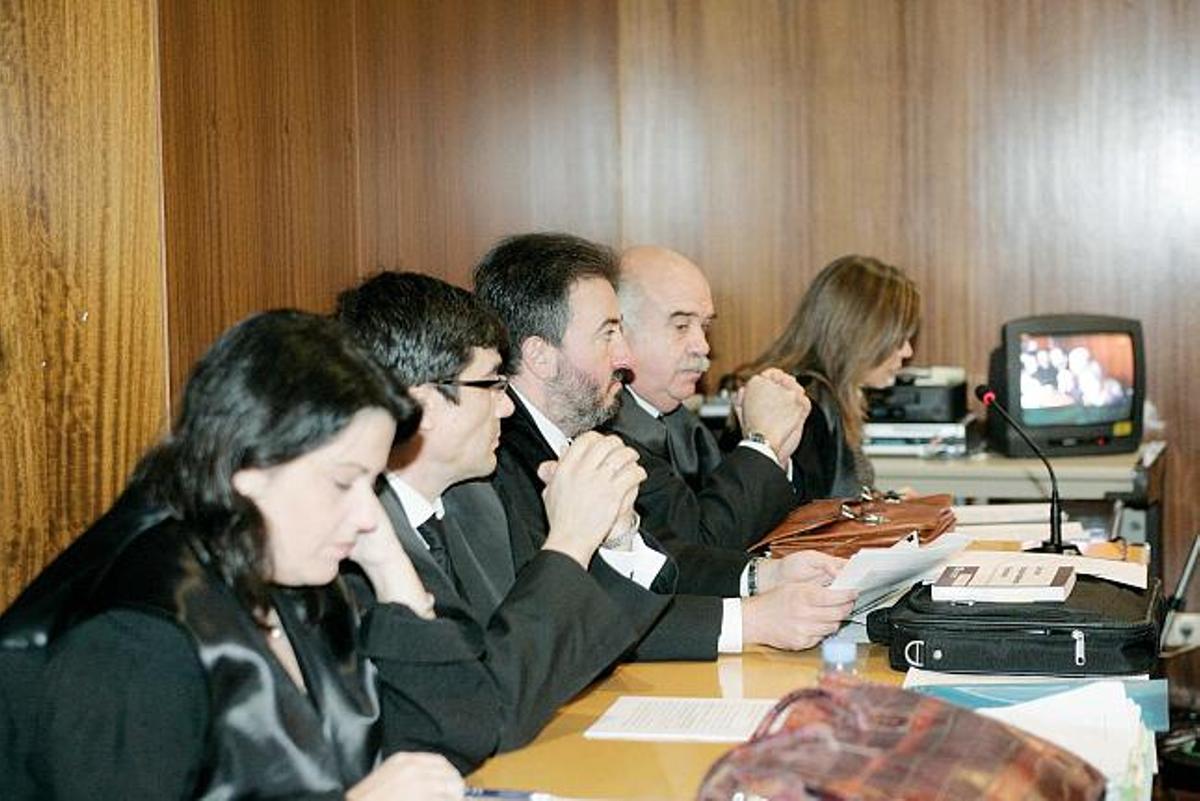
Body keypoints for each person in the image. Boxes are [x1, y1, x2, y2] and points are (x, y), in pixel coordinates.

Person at [0, 311, 492, 800]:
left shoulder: (284, 570)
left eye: (373, 483)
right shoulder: (135, 643)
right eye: (344, 481)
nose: (369, 514)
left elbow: (452, 743)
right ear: (248, 467)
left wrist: (389, 568)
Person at [474, 232, 856, 658]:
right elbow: (567, 617)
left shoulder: (584, 433)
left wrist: (764, 577)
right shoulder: (493, 461)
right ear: (541, 357)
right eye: (608, 334)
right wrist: (753, 621)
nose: (624, 356)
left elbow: (660, 555)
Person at [335, 271, 664, 749]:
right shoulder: (351, 540)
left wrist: (611, 536)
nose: (507, 409)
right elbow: (484, 710)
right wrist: (568, 542)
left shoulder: (477, 502)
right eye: (491, 384)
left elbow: (561, 648)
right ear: (424, 405)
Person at [613, 245, 808, 549]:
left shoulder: (682, 422)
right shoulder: (606, 433)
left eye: (704, 327)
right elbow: (700, 550)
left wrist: (776, 454)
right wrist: (762, 444)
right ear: (619, 331)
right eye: (681, 326)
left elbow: (738, 521)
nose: (702, 346)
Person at [736, 255, 921, 499]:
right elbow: (811, 518)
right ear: (861, 335)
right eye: (898, 339)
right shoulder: (804, 403)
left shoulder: (819, 393)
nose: (907, 351)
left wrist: (885, 504)